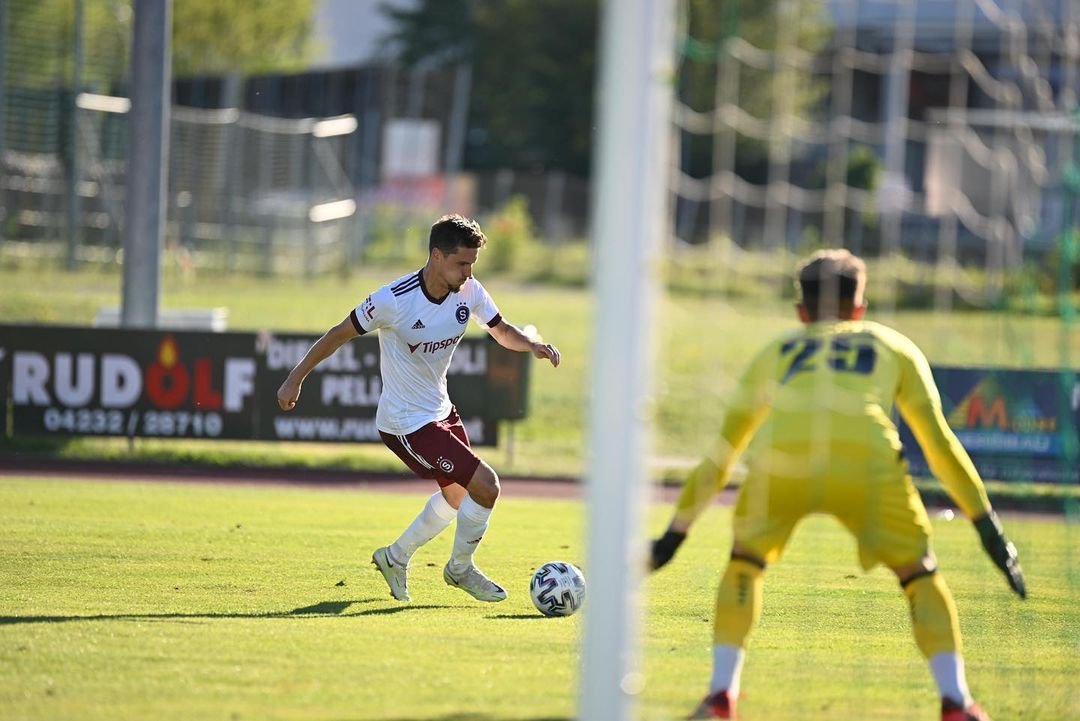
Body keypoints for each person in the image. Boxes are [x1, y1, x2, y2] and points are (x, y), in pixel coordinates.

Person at [649, 249, 1026, 721]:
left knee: (744, 565)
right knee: (919, 574)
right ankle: (956, 702)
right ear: (860, 309)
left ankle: (721, 695)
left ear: (801, 312)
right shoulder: (893, 345)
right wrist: (988, 527)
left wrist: (675, 534)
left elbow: (723, 454)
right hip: (866, 461)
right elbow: (939, 445)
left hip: (783, 460)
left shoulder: (775, 352)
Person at [277, 213, 560, 603]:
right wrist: (296, 377)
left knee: (459, 495)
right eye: (462, 263)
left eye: (472, 264)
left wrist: (532, 345)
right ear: (436, 256)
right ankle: (459, 570)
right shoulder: (393, 300)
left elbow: (500, 329)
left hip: (440, 410)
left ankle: (395, 557)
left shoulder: (469, 291)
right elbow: (338, 334)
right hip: (405, 423)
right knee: (487, 485)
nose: (468, 272)